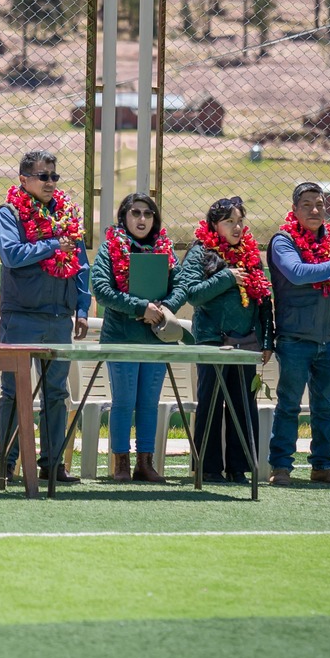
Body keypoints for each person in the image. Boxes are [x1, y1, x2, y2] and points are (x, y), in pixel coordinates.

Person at [0, 150, 90, 487]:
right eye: (43, 176)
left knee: (56, 394)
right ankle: (6, 464)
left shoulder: (66, 214)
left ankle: (52, 464)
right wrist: (52, 245)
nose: (50, 182)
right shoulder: (8, 213)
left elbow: (81, 263)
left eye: (54, 176)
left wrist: (82, 308)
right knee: (13, 393)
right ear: (24, 179)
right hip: (21, 317)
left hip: (59, 317)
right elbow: (11, 255)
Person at [89, 191, 186, 482]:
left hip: (156, 338)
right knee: (124, 401)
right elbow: (101, 290)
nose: (142, 218)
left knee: (149, 403)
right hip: (122, 338)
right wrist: (140, 308)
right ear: (124, 217)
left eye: (148, 213)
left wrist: (163, 309)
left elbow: (181, 285)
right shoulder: (110, 247)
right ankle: (120, 463)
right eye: (135, 213)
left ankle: (145, 463)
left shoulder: (165, 249)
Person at [177, 196, 272, 484]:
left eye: (240, 221)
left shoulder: (249, 253)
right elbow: (192, 293)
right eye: (229, 221)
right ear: (214, 225)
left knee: (243, 405)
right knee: (211, 402)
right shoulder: (200, 252)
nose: (237, 227)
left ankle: (238, 467)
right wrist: (227, 278)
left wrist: (267, 340)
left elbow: (263, 299)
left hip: (245, 341)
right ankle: (208, 467)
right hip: (212, 341)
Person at [266, 182, 330, 487]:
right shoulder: (283, 241)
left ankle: (323, 467)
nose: (315, 210)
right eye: (306, 205)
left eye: (319, 204)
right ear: (294, 209)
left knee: (325, 408)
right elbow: (296, 272)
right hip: (295, 339)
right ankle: (281, 467)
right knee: (289, 405)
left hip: (329, 340)